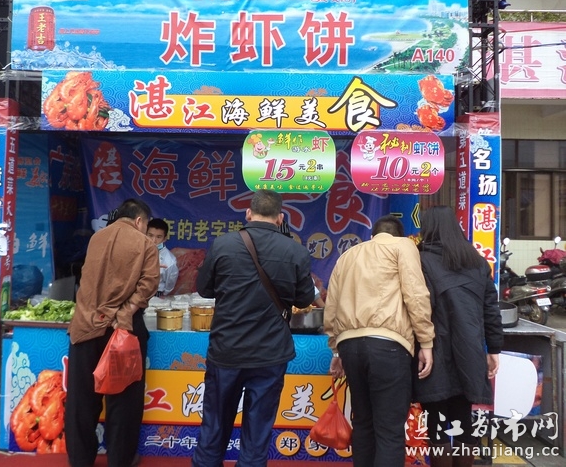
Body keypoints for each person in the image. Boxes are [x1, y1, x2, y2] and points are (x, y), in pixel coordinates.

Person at [192, 190, 315, 467]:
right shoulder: (295, 251)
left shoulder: (223, 245)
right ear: (280, 218)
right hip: (270, 353)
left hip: (227, 349)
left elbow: (204, 289)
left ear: (248, 213)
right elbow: (304, 299)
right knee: (258, 429)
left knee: (214, 422)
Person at [323, 214, 435, 467]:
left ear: (372, 236)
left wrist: (336, 350)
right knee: (389, 429)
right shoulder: (403, 246)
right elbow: (416, 295)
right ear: (400, 236)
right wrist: (426, 341)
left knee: (363, 422)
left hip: (349, 346)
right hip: (389, 345)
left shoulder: (348, 255)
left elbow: (332, 306)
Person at [65, 198, 160, 467]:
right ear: (139, 221)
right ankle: (120, 458)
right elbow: (148, 285)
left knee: (82, 398)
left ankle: (80, 459)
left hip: (85, 327)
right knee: (124, 400)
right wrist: (126, 312)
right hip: (122, 330)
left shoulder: (97, 238)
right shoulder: (145, 244)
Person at [414, 206, 503, 467]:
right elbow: (491, 309)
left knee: (437, 422)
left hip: (433, 350)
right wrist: (493, 349)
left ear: (428, 229)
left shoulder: (420, 260)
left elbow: (417, 307)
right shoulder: (477, 261)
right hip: (470, 349)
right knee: (463, 419)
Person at [146, 218, 179, 297]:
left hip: (156, 295)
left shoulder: (170, 260)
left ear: (165, 238)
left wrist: (162, 294)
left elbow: (169, 284)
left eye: (158, 237)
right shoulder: (138, 251)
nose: (153, 240)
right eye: (150, 235)